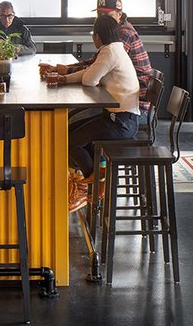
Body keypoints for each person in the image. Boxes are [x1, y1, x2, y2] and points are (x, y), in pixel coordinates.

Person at [51, 15, 141, 213]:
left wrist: (65, 78)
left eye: (94, 34)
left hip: (121, 122)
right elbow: (89, 73)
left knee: (70, 141)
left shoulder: (109, 52)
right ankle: (95, 178)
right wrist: (64, 79)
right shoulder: (115, 49)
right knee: (68, 132)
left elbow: (89, 80)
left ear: (98, 36)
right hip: (118, 117)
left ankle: (89, 186)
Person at [39, 0, 153, 109]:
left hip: (133, 103)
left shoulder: (122, 34)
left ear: (119, 14)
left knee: (74, 117)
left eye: (107, 15)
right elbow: (96, 62)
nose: (101, 18)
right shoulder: (113, 35)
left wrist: (68, 71)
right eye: (99, 14)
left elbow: (95, 70)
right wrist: (63, 69)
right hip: (119, 98)